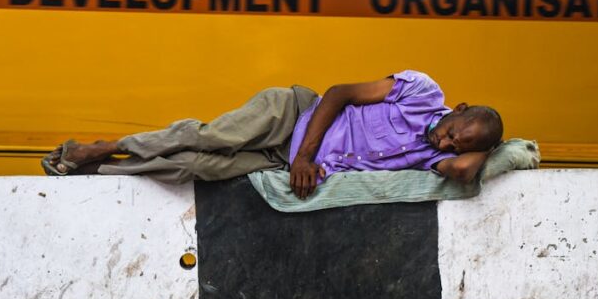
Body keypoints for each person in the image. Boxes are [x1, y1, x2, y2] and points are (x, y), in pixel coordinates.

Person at [42, 70, 504, 199]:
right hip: (292, 116)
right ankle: (110, 146)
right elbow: (339, 93)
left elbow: (463, 173)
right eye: (453, 131)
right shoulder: (422, 91)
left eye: (455, 145)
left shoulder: (434, 156)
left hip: (280, 163)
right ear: (456, 108)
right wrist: (305, 157)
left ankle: (97, 167)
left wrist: (486, 147)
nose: (444, 143)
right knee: (211, 138)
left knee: (193, 168)